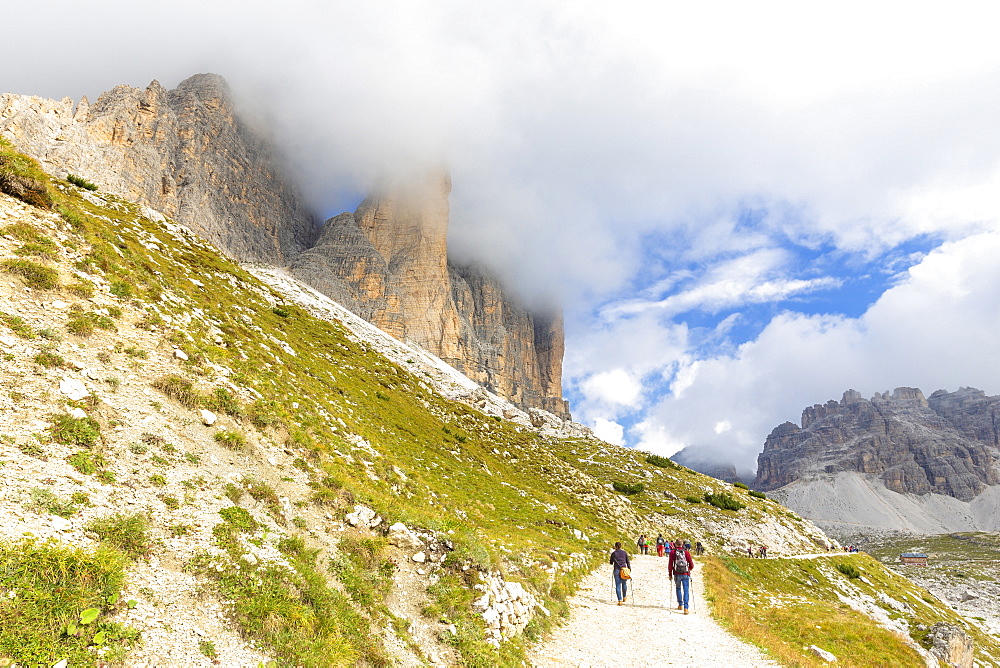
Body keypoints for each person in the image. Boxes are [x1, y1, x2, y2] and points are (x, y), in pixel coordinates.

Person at [669, 540, 694, 614]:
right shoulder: (686, 552)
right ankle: (686, 608)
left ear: (675, 544)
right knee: (686, 590)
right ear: (682, 544)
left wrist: (670, 574)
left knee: (678, 588)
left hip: (677, 573)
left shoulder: (672, 552)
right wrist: (688, 570)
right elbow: (691, 565)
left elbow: (670, 564)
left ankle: (680, 604)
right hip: (686, 573)